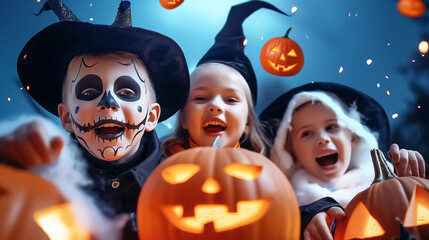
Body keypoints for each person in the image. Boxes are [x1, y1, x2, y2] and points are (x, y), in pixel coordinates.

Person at [0, 0, 189, 238]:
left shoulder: (187, 178)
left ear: (151, 116)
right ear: (67, 117)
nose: (108, 103)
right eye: (89, 93)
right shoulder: (40, 178)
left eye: (127, 92)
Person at [260, 82, 426, 240]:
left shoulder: (388, 183)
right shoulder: (285, 207)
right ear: (292, 155)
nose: (322, 139)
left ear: (353, 137)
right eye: (306, 133)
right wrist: (304, 220)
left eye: (331, 127)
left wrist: (411, 180)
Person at [161, 1, 287, 156]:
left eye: (231, 100)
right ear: (183, 119)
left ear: (247, 122)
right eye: (200, 98)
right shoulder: (158, 166)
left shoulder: (261, 172)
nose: (215, 106)